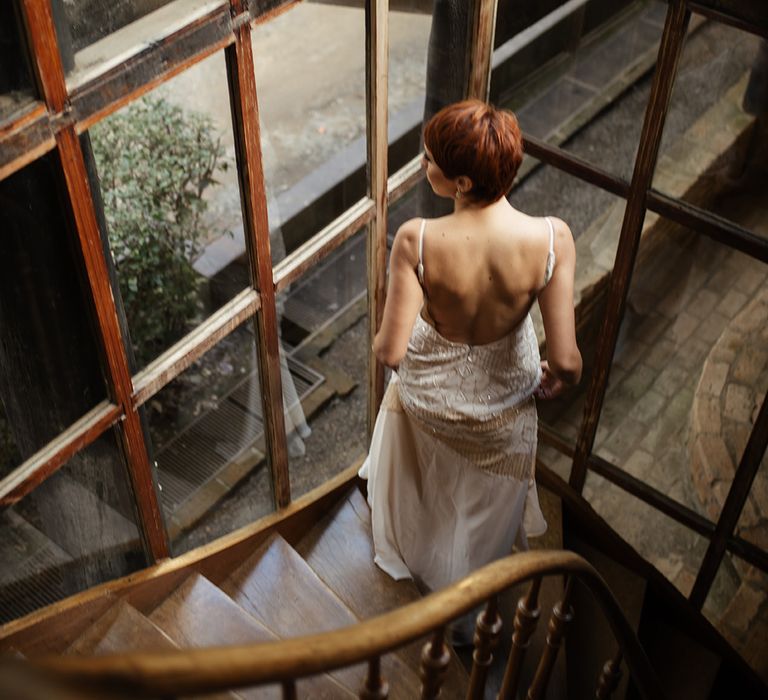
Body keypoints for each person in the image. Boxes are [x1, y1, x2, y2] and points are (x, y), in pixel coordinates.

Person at [359, 100, 582, 610]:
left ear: (460, 184)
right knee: (480, 512)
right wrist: (555, 375)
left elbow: (390, 351)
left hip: (430, 406)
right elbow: (568, 362)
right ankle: (466, 602)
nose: (423, 164)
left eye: (430, 158)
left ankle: (416, 556)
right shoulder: (553, 239)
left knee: (429, 488)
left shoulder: (418, 239)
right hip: (502, 412)